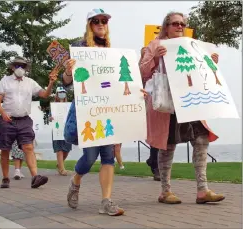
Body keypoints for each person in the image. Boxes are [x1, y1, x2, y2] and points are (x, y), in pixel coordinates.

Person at [62, 9, 146, 216]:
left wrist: (136, 90)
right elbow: (67, 83)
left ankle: (106, 201)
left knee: (108, 156)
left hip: (109, 110)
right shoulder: (80, 48)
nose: (101, 24)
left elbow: (118, 80)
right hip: (88, 110)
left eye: (104, 21)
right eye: (96, 21)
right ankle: (75, 181)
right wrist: (67, 71)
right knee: (90, 157)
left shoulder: (111, 51)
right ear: (89, 24)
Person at [139, 12, 225, 204]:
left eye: (183, 24)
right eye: (176, 23)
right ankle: (165, 191)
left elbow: (202, 74)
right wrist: (154, 59)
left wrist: (210, 62)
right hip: (166, 105)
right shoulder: (155, 45)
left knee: (201, 138)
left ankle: (203, 190)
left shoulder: (191, 45)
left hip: (189, 101)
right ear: (166, 26)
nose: (180, 27)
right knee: (167, 146)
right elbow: (142, 73)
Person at [0, 56, 57, 189]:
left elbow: (45, 94)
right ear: (12, 67)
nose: (20, 68)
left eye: (22, 66)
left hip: (24, 119)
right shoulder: (5, 81)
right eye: (17, 65)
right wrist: (3, 113)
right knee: (5, 149)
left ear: (26, 68)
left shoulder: (30, 82)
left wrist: (51, 83)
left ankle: (35, 177)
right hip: (8, 119)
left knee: (28, 147)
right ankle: (5, 178)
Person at [139, 46, 160, 181]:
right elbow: (139, 76)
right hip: (149, 99)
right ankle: (155, 164)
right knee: (156, 132)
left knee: (160, 133)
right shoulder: (144, 64)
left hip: (162, 97)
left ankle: (154, 161)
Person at [49, 87, 72, 176]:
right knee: (59, 150)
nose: (62, 94)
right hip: (57, 129)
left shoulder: (69, 105)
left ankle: (59, 165)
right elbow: (50, 117)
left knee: (67, 149)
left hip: (67, 129)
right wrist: (51, 118)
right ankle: (62, 169)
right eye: (60, 92)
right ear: (57, 94)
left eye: (63, 92)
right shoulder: (53, 105)